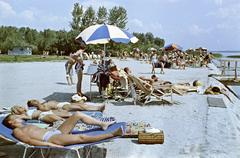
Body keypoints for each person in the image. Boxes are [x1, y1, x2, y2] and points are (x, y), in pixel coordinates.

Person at [3, 112, 122, 147]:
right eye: (16, 118)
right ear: (10, 122)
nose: (19, 118)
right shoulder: (17, 131)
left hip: (55, 132)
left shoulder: (25, 125)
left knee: (77, 115)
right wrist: (50, 145)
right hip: (51, 138)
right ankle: (112, 134)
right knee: (81, 138)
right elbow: (28, 141)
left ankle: (102, 124)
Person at [27, 99, 105, 112]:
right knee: (80, 107)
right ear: (33, 105)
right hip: (61, 106)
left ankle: (97, 107)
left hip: (63, 104)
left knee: (81, 105)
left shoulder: (42, 103)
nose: (35, 100)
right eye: (33, 101)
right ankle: (97, 108)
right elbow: (49, 111)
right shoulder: (41, 107)